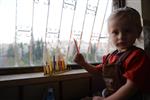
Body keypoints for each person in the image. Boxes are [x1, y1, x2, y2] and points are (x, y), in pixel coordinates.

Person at [74, 7, 150, 100]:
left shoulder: (138, 56)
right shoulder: (110, 57)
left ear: (138, 32)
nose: (121, 36)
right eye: (115, 32)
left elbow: (130, 88)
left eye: (127, 31)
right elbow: (98, 71)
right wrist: (83, 63)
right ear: (109, 34)